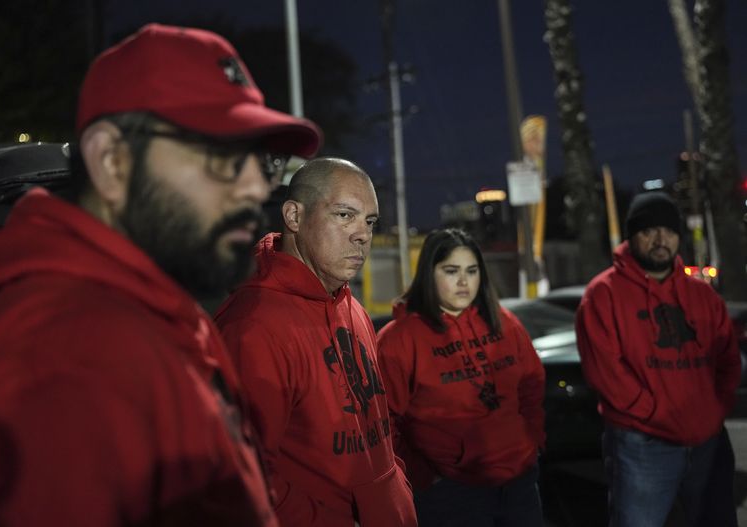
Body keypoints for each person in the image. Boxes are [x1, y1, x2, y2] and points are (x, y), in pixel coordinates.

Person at [0, 23, 321, 526]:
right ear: (111, 160)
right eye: (221, 158)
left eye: (263, 163)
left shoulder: (157, 312)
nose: (255, 189)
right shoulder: (59, 367)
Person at [213, 157, 418, 527]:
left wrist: (396, 489)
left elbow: (379, 433)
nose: (363, 234)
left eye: (370, 221)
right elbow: (242, 475)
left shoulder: (353, 309)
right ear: (293, 216)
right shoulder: (251, 327)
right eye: (344, 215)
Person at [575, 191, 741, 527]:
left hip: (707, 440)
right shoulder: (603, 294)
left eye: (668, 231)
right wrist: (652, 414)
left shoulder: (701, 295)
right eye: (648, 231)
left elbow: (728, 357)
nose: (660, 239)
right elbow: (604, 371)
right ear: (632, 236)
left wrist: (714, 408)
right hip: (643, 444)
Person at [377, 228, 546, 527]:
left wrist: (532, 441)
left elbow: (531, 386)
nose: (464, 282)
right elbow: (383, 419)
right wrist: (422, 475)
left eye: (472, 270)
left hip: (519, 482)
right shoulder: (399, 339)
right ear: (429, 273)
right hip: (452, 491)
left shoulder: (505, 323)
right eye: (451, 271)